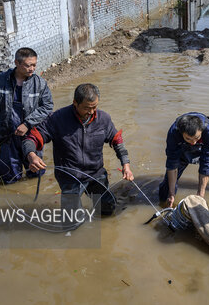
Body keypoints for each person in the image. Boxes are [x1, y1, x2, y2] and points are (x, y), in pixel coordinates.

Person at [24, 83, 133, 225]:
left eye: (95, 107)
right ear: (75, 103)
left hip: (96, 174)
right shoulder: (57, 119)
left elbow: (117, 141)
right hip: (70, 177)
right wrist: (32, 155)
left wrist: (126, 164)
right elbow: (31, 138)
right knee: (71, 222)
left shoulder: (103, 119)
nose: (92, 112)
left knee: (107, 209)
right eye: (87, 108)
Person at [0, 47, 53, 184]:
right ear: (17, 63)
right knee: (8, 177)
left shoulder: (39, 83)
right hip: (8, 134)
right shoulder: (1, 79)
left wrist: (27, 124)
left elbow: (47, 106)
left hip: (31, 134)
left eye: (34, 65)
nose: (32, 69)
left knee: (36, 172)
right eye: (28, 65)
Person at [159, 112, 209, 208]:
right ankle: (162, 203)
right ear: (181, 133)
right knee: (167, 189)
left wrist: (200, 196)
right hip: (182, 149)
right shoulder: (173, 133)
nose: (193, 142)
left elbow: (206, 163)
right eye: (188, 138)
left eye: (197, 137)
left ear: (201, 131)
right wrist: (171, 193)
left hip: (206, 147)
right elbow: (172, 164)